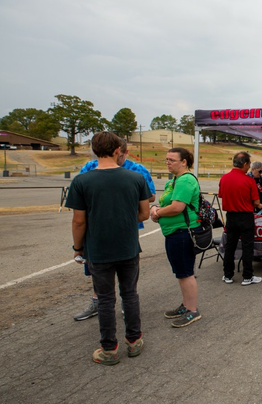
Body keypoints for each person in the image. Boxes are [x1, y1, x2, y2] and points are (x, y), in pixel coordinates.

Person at [64, 132, 151, 365]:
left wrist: (78, 248)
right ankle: (134, 341)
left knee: (105, 299)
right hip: (128, 246)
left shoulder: (81, 181)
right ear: (117, 151)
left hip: (99, 249)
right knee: (130, 294)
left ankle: (109, 348)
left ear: (94, 151)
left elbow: (78, 221)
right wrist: (122, 220)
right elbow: (144, 214)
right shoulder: (135, 178)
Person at [73, 138, 156, 322]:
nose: (119, 160)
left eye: (122, 157)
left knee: (127, 275)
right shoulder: (89, 168)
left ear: (124, 153)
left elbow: (150, 196)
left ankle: (127, 308)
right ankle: (97, 302)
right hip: (96, 230)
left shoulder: (137, 171)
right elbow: (79, 199)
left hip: (125, 228)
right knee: (98, 274)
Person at [149, 148, 203, 328]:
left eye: (172, 159)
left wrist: (157, 213)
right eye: (166, 159)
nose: (168, 162)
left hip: (182, 233)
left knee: (186, 273)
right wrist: (156, 208)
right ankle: (186, 305)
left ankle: (192, 310)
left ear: (184, 162)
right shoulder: (175, 181)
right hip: (174, 232)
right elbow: (166, 203)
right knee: (181, 272)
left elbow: (177, 207)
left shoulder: (186, 180)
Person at [219, 152, 262, 285]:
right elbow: (256, 202)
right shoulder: (249, 180)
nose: (249, 167)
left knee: (230, 246)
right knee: (247, 246)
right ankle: (247, 276)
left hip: (231, 216)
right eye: (249, 164)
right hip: (245, 216)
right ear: (245, 164)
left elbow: (221, 195)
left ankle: (228, 275)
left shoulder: (224, 178)